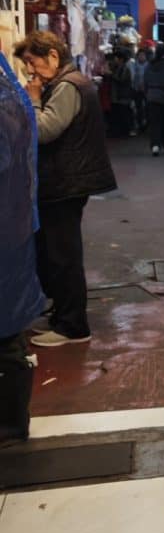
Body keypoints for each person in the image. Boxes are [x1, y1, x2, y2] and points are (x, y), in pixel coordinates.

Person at [13, 29, 116, 348]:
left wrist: (31, 102)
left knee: (63, 254)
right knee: (55, 251)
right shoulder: (69, 83)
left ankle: (73, 325)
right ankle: (63, 314)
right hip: (65, 180)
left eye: (32, 61)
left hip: (65, 181)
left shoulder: (68, 86)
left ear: (53, 56)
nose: (30, 70)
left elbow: (45, 130)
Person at [0, 52, 45, 439]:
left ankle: (11, 421)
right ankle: (13, 421)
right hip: (12, 228)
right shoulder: (10, 92)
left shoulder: (6, 98)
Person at [105, 48, 135, 138]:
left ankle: (125, 131)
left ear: (121, 59)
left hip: (122, 96)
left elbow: (121, 80)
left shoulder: (125, 68)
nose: (115, 60)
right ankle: (120, 131)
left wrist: (110, 75)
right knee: (119, 114)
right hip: (118, 96)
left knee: (124, 114)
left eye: (116, 58)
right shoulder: (118, 67)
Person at [130, 46, 150, 133]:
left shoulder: (149, 65)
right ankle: (140, 124)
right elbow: (133, 77)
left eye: (143, 55)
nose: (141, 57)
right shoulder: (134, 65)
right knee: (138, 108)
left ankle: (147, 124)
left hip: (147, 90)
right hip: (136, 90)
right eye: (140, 55)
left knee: (147, 108)